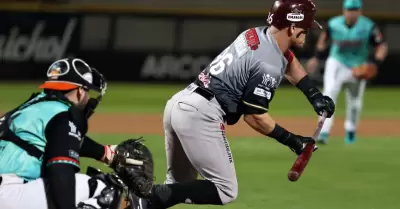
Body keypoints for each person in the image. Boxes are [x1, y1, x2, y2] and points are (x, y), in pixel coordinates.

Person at [126, 0, 335, 209]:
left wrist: (313, 94)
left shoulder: (255, 34)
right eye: (305, 28)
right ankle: (143, 194)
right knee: (225, 189)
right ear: (291, 27)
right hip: (201, 114)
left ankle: (134, 201)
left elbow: (287, 59)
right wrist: (293, 141)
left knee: (178, 189)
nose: (307, 32)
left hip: (179, 104)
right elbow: (254, 116)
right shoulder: (268, 63)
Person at [0, 58, 152, 209]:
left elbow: (60, 141)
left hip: (9, 192)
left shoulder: (32, 108)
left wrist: (106, 153)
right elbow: (60, 171)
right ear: (80, 92)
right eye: (87, 91)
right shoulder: (63, 117)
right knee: (107, 189)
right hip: (9, 195)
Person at [306, 0, 388, 144]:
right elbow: (323, 40)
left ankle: (351, 130)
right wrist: (316, 58)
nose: (351, 13)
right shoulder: (334, 24)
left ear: (360, 11)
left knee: (355, 102)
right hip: (337, 63)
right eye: (349, 10)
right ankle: (323, 131)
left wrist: (375, 64)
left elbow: (381, 46)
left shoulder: (368, 26)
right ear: (344, 11)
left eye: (355, 10)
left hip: (358, 67)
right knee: (329, 93)